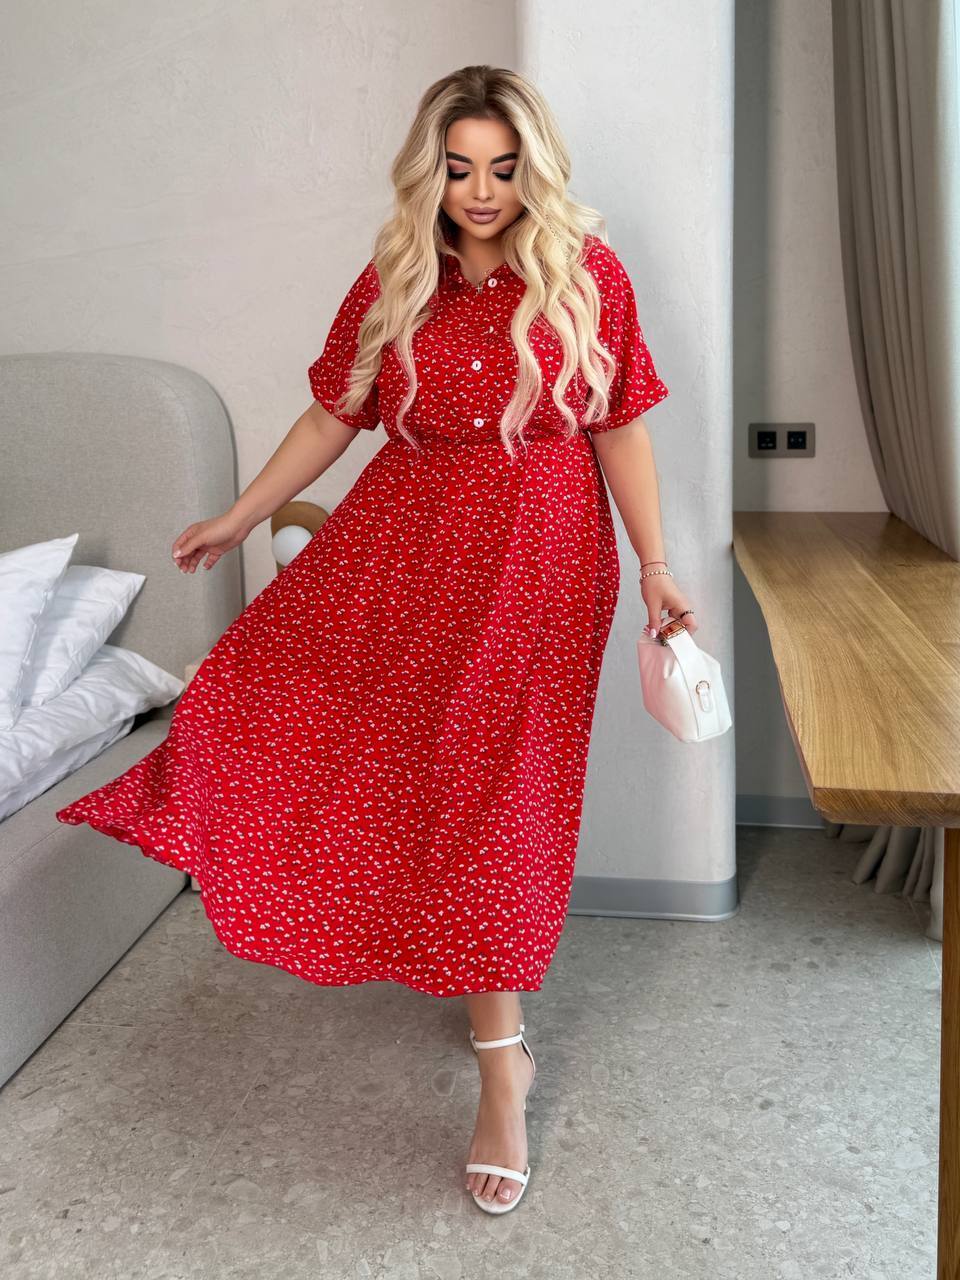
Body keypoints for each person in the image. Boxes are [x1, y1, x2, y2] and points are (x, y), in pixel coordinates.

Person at [56, 64, 697, 1215]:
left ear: (536, 168)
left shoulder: (585, 272)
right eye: (460, 169)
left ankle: (501, 1071)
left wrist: (655, 567)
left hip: (541, 555)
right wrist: (241, 514)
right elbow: (331, 413)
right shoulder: (400, 272)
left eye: (504, 168)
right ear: (429, 171)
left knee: (495, 797)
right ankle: (470, 986)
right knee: (299, 712)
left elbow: (621, 428)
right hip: (401, 539)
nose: (482, 191)